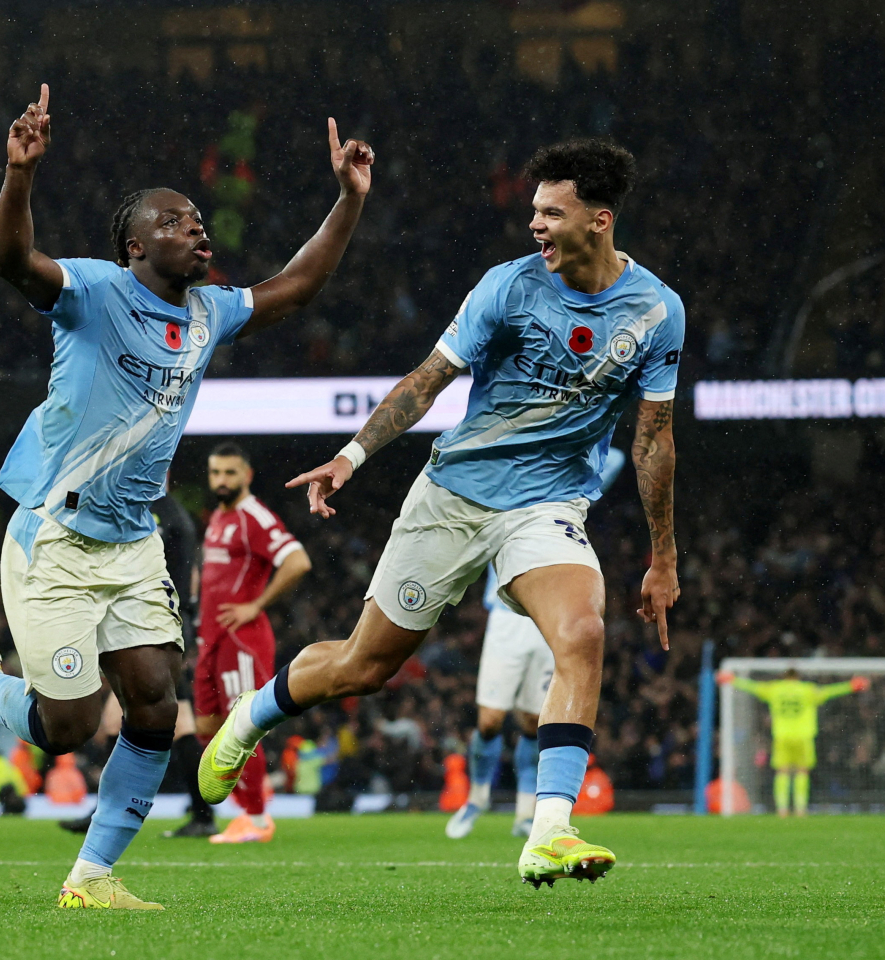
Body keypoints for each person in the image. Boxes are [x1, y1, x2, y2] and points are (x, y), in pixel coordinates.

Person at [0, 84, 373, 910]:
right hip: (55, 534)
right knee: (64, 725)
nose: (194, 228)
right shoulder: (94, 292)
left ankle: (91, 879)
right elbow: (11, 264)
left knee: (153, 705)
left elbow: (299, 285)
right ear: (134, 248)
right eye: (173, 222)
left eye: (198, 219)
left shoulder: (208, 312)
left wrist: (346, 201)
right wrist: (18, 174)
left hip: (132, 542)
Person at [201, 138, 683, 889]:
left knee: (583, 632)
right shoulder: (507, 288)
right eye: (532, 212)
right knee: (363, 668)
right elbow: (427, 382)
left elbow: (654, 440)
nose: (535, 226)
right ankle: (253, 716)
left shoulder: (656, 312)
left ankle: (549, 831)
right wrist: (350, 457)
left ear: (599, 219)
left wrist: (664, 557)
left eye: (551, 214)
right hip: (453, 497)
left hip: (546, 503)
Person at [448, 447, 625, 840]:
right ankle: (476, 800)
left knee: (532, 720)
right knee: (490, 721)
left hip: (547, 614)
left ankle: (527, 811)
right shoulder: (502, 482)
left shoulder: (564, 488)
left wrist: (572, 442)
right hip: (505, 616)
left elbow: (615, 459)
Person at [56, 490, 220, 838]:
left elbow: (185, 573)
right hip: (148, 624)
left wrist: (182, 618)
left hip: (158, 625)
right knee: (127, 719)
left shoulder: (167, 515)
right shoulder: (149, 508)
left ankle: (196, 814)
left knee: (175, 722)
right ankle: (118, 811)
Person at [194, 442, 311, 844]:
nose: (221, 480)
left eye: (229, 472)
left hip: (240, 641)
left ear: (247, 475)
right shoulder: (218, 517)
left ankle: (257, 818)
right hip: (210, 641)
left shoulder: (253, 516)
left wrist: (254, 605)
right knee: (207, 727)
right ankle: (249, 804)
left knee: (241, 726)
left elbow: (298, 561)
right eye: (215, 473)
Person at [718, 668, 870, 817]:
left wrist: (733, 679)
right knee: (802, 771)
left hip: (782, 736)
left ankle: (782, 810)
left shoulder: (775, 689)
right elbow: (829, 691)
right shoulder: (807, 690)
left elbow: (753, 687)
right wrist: (851, 685)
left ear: (784, 677)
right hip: (803, 737)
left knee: (782, 771)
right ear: (798, 677)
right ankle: (800, 809)